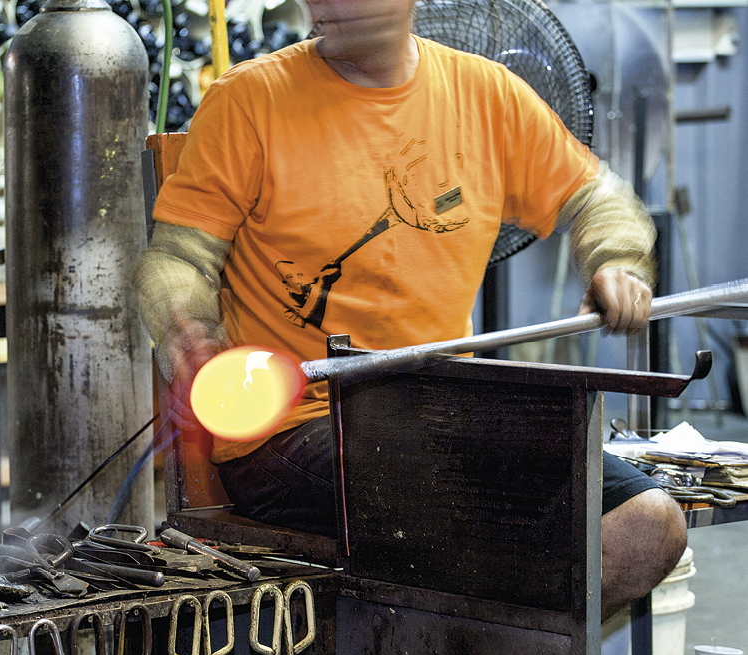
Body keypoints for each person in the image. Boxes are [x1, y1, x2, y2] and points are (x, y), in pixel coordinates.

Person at [134, 0, 687, 621]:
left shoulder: (487, 97)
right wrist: (188, 333)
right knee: (481, 518)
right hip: (298, 424)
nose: (326, 3)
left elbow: (597, 198)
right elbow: (176, 259)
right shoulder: (250, 100)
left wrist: (616, 260)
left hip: (440, 410)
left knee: (646, 527)